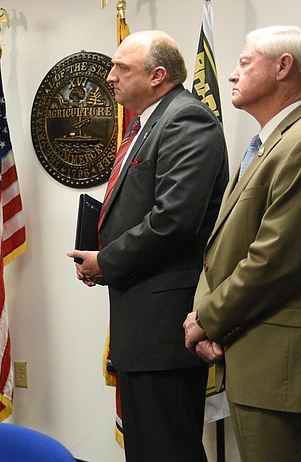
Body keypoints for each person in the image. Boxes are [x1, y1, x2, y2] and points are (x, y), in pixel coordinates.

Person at [183, 26, 301, 462]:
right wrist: (204, 318)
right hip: (249, 354)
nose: (231, 76)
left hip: (280, 365)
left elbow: (275, 260)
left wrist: (205, 318)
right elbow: (221, 250)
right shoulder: (266, 146)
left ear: (283, 67)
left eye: (244, 63)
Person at [66, 31, 228, 462]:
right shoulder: (147, 123)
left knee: (167, 449)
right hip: (141, 322)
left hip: (165, 327)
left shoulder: (186, 119)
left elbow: (174, 219)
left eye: (122, 67)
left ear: (158, 76)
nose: (110, 76)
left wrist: (108, 261)